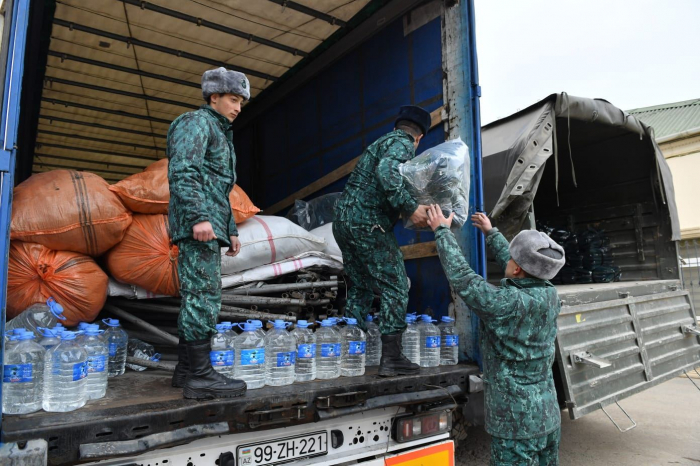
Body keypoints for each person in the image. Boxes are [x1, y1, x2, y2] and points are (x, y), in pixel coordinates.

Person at [426, 206, 564, 465]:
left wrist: (441, 231)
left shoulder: (506, 304)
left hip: (516, 426)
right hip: (548, 418)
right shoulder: (550, 294)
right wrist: (492, 233)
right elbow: (522, 269)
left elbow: (464, 280)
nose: (509, 263)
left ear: (517, 270)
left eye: (512, 259)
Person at [167, 67, 249, 400]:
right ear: (213, 97)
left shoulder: (219, 131)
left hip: (210, 227)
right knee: (203, 297)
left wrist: (229, 230)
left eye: (242, 101)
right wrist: (199, 218)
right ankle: (200, 376)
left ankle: (186, 370)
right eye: (233, 99)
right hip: (197, 226)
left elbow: (220, 188)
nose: (238, 107)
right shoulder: (195, 123)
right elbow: (183, 171)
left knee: (199, 295)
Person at [334, 105, 432, 377]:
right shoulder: (402, 144)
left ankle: (351, 351)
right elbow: (387, 172)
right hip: (369, 223)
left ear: (397, 125)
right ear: (419, 136)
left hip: (343, 222)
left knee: (360, 286)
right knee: (397, 284)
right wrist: (410, 206)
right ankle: (391, 358)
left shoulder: (381, 142)